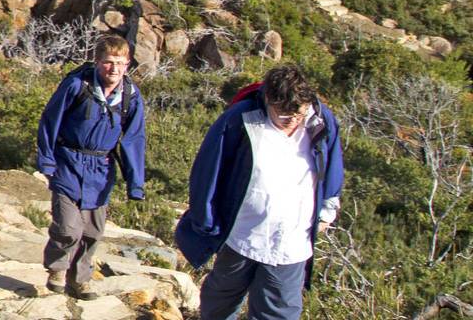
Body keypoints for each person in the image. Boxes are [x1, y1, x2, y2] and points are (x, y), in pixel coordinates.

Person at [176, 64, 344, 320]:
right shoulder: (242, 118)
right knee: (219, 304)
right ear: (267, 99)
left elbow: (332, 166)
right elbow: (209, 168)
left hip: (291, 242)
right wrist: (205, 220)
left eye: (297, 115)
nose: (292, 122)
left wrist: (327, 210)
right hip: (242, 233)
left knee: (278, 312)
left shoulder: (320, 121)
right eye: (283, 116)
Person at [36, 34, 147, 298]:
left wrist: (136, 183)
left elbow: (134, 139)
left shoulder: (130, 96)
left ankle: (79, 280)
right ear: (97, 61)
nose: (114, 69)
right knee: (68, 227)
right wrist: (47, 160)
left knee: (93, 231)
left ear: (128, 64)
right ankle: (58, 269)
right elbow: (50, 121)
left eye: (121, 63)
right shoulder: (77, 85)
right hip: (68, 161)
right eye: (109, 62)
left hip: (101, 168)